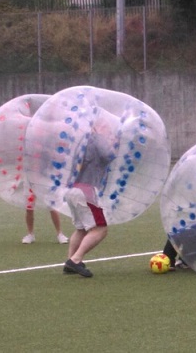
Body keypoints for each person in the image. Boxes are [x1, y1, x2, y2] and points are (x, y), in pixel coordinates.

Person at [62, 114, 118, 278]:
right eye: (106, 126)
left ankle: (70, 261)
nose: (108, 129)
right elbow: (108, 155)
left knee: (81, 229)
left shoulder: (81, 140)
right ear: (97, 126)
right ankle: (76, 260)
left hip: (73, 190)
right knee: (100, 229)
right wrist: (110, 140)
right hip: (85, 190)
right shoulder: (95, 138)